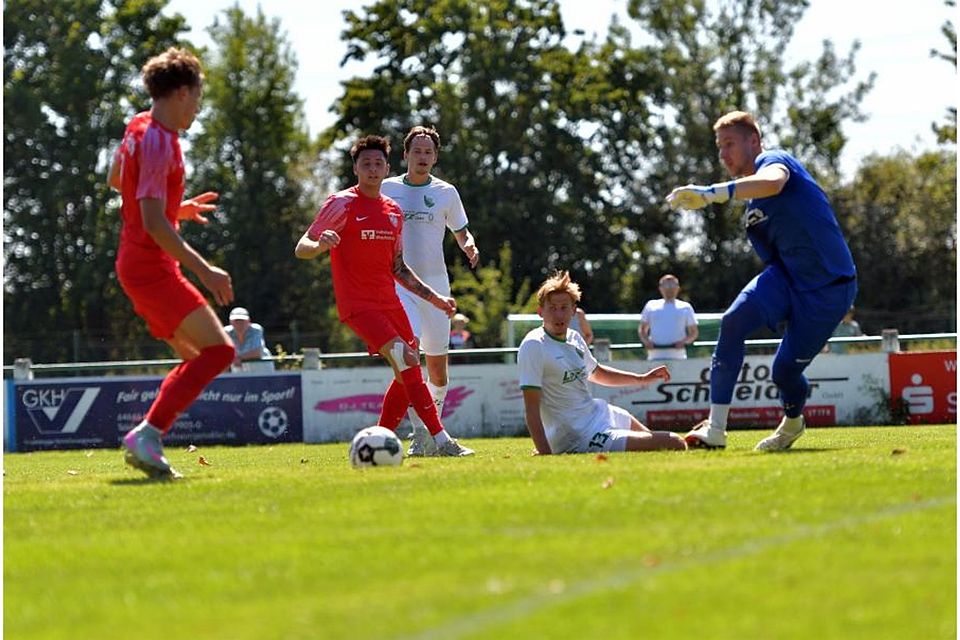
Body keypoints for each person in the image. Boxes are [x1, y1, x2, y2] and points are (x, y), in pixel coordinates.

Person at [666, 110, 857, 451]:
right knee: (734, 320)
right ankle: (716, 429)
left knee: (783, 373)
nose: (723, 154)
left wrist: (712, 193)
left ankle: (793, 422)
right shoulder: (752, 205)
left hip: (829, 289)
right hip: (786, 278)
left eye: (730, 144)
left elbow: (773, 181)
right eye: (719, 147)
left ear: (753, 141)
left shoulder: (775, 159)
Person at [295, 134, 474, 457]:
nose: (373, 169)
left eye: (379, 163)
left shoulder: (392, 211)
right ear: (356, 169)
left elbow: (399, 269)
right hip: (359, 306)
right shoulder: (341, 203)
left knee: (408, 370)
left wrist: (435, 300)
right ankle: (442, 440)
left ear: (387, 167)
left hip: (390, 303)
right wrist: (321, 245)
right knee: (407, 362)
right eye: (367, 164)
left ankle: (379, 441)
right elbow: (302, 247)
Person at [109, 48, 236, 479]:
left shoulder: (139, 126)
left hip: (139, 263)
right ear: (182, 92)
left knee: (200, 354)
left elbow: (116, 181)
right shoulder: (160, 140)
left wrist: (173, 209)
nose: (198, 107)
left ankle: (148, 437)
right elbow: (151, 222)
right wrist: (207, 270)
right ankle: (148, 435)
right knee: (219, 351)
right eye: (198, 97)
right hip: (151, 267)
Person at [380, 126, 480, 456]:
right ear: (405, 155)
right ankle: (422, 434)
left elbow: (462, 231)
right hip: (401, 287)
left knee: (438, 371)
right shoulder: (386, 188)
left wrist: (469, 246)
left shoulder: (446, 193)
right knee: (410, 357)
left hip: (437, 288)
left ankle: (429, 427)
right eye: (417, 151)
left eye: (428, 152)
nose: (422, 157)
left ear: (435, 158)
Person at [518, 270, 687, 455]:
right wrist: (545, 452)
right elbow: (531, 408)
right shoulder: (534, 344)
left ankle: (699, 437)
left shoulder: (574, 337)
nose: (558, 314)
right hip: (581, 435)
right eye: (552, 308)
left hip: (599, 412)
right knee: (675, 442)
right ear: (540, 312)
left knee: (659, 446)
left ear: (574, 311)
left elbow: (597, 373)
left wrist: (642, 379)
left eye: (564, 307)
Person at [637, 274, 699, 360]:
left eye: (672, 285)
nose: (669, 288)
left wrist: (683, 342)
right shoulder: (650, 305)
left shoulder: (686, 307)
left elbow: (693, 332)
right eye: (666, 285)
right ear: (660, 288)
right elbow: (642, 329)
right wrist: (646, 342)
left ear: (678, 288)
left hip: (678, 357)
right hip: (654, 356)